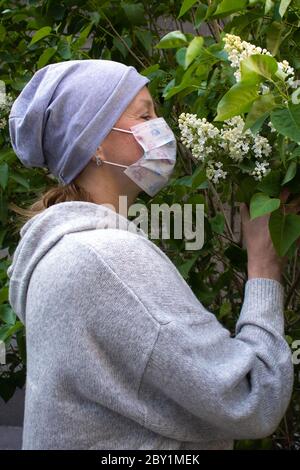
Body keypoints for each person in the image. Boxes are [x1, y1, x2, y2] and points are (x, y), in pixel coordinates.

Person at [7, 59, 293, 450]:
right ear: (96, 144)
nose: (162, 128)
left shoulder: (62, 250)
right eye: (145, 114)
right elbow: (252, 398)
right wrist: (264, 266)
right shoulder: (107, 259)